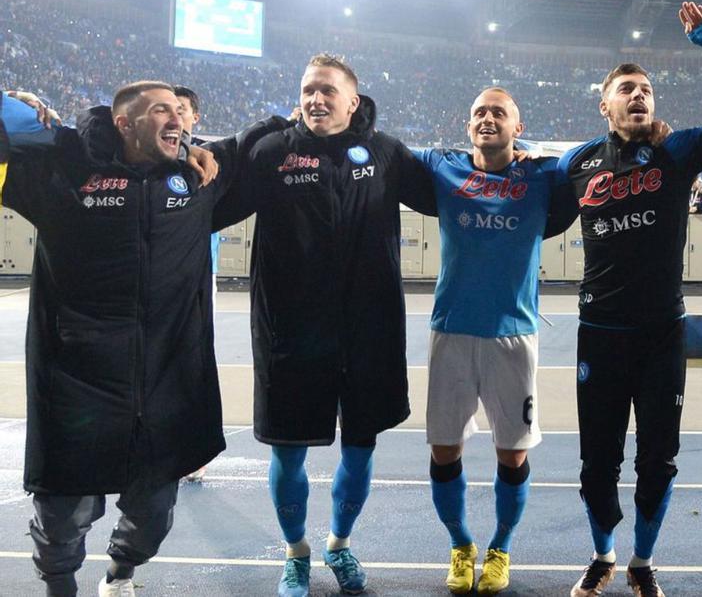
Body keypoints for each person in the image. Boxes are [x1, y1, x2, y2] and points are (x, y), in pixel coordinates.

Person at [0, 83, 260, 597]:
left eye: (180, 113)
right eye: (161, 110)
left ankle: (121, 571)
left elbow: (269, 147)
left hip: (164, 383)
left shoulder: (196, 177)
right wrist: (14, 105)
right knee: (61, 519)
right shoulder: (64, 170)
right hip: (76, 381)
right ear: (124, 122)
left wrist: (189, 148)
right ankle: (60, 589)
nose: (178, 118)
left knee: (154, 516)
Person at [558, 1, 702, 597]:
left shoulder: (678, 153)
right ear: (606, 105)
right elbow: (532, 211)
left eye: (646, 88)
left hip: (661, 335)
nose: (639, 95)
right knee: (597, 465)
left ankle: (642, 562)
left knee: (658, 461)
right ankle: (602, 554)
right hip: (598, 333)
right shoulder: (577, 165)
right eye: (627, 88)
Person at [211, 54, 437, 597]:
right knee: (287, 451)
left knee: (360, 448)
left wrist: (511, 167)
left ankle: (339, 542)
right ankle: (295, 553)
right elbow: (211, 209)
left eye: (328, 91)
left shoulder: (386, 154)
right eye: (308, 90)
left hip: (369, 332)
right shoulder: (272, 153)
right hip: (290, 333)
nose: (316, 99)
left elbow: (447, 193)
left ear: (352, 100)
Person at [413, 87, 579, 595]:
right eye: (479, 113)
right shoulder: (443, 167)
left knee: (513, 455)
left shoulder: (543, 174)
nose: (488, 118)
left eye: (498, 113)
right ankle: (461, 545)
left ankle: (501, 547)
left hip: (514, 336)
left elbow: (589, 159)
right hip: (452, 331)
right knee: (445, 450)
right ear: (468, 127)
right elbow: (383, 152)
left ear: (517, 126)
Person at [175, 84, 217, 485]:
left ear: (196, 116)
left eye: (182, 109)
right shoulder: (147, 157)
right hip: (155, 282)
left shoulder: (211, 159)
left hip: (199, 278)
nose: (175, 116)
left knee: (193, 361)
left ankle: (193, 451)